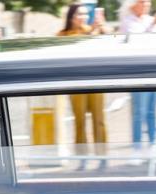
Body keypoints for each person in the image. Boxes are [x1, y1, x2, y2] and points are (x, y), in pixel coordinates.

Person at [58, 3, 108, 170]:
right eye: (80, 14)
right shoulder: (63, 34)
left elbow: (110, 43)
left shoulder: (92, 29)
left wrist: (102, 29)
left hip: (96, 82)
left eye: (86, 14)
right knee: (79, 122)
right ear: (71, 17)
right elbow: (74, 48)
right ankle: (82, 158)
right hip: (76, 84)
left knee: (99, 121)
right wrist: (92, 31)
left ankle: (103, 157)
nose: (84, 17)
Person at [119, 0, 156, 157]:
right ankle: (136, 149)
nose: (146, 4)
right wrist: (152, 26)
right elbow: (133, 42)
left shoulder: (152, 20)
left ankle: (152, 145)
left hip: (154, 72)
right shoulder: (127, 22)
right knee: (139, 112)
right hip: (137, 73)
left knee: (151, 111)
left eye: (147, 1)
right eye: (142, 1)